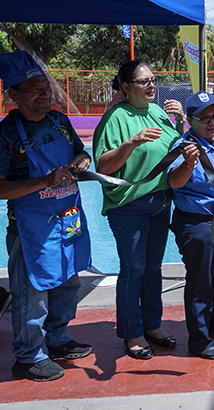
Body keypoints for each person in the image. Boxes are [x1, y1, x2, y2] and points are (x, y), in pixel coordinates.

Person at [0, 51, 92, 381]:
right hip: (31, 230)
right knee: (32, 294)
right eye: (34, 88)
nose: (44, 93)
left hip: (67, 219)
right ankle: (28, 356)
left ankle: (57, 337)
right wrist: (44, 181)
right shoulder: (7, 134)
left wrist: (82, 158)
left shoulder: (59, 121)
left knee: (68, 281)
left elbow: (79, 151)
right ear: (13, 94)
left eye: (45, 86)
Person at [93, 60, 187, 359]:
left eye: (153, 80)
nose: (151, 85)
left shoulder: (157, 111)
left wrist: (181, 121)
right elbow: (103, 166)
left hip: (160, 202)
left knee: (153, 269)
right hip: (129, 206)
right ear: (126, 86)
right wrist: (130, 143)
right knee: (133, 270)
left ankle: (153, 326)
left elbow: (173, 147)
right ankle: (132, 333)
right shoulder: (115, 118)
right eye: (144, 81)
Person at [167, 91, 214, 360]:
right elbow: (174, 181)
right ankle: (199, 339)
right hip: (198, 222)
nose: (212, 122)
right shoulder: (184, 146)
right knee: (201, 282)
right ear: (190, 120)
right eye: (205, 118)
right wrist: (189, 164)